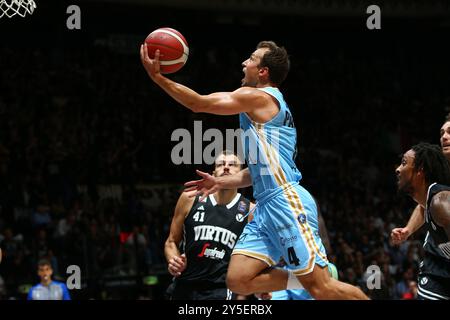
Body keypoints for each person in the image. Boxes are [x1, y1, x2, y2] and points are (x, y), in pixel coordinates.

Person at [141, 40, 368, 299]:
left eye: (251, 59)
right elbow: (258, 172)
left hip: (285, 200)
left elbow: (198, 103)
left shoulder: (258, 97)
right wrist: (221, 182)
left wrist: (157, 77)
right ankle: (307, 279)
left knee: (322, 288)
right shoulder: (267, 108)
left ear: (263, 72)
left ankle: (318, 279)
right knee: (238, 280)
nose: (244, 63)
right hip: (265, 207)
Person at [164, 151, 254, 300]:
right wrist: (173, 260)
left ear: (241, 175)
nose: (226, 168)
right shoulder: (190, 198)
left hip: (221, 290)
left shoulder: (250, 211)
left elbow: (250, 260)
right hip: (184, 286)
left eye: (232, 165)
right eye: (220, 164)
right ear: (213, 172)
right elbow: (171, 242)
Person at [395, 142, 450, 300]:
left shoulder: (440, 202)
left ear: (420, 170)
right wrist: (407, 230)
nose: (398, 169)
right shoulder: (430, 201)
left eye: (404, 163)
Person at [391, 115, 450, 245]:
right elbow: (427, 203)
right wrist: (408, 230)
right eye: (442, 133)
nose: (444, 137)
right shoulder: (439, 171)